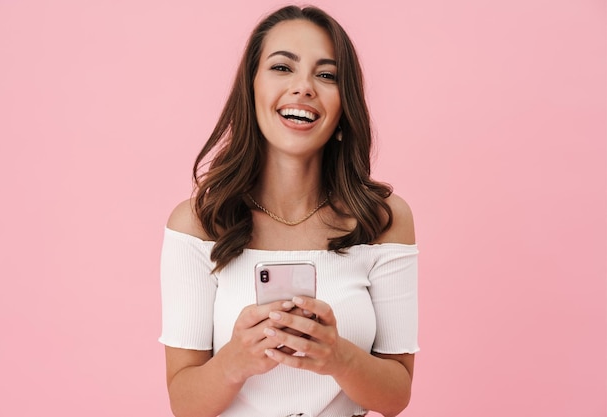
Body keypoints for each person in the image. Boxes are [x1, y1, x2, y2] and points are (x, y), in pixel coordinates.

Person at [159, 5, 419, 417]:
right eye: (283, 68)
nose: (304, 88)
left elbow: (396, 396)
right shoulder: (197, 224)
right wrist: (233, 362)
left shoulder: (383, 221)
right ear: (252, 89)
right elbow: (184, 404)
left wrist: (339, 357)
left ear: (342, 105)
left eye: (327, 75)